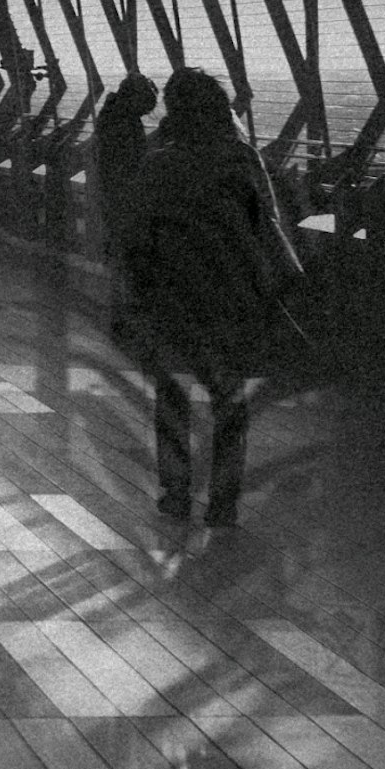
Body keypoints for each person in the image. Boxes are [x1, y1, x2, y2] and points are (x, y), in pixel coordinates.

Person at [116, 66, 287, 530]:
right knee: (229, 400)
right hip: (231, 299)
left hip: (172, 297)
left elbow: (136, 235)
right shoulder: (241, 158)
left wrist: (132, 296)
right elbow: (266, 226)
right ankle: (224, 503)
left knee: (171, 396)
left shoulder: (158, 162)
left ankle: (176, 494)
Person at [90, 73, 159, 271]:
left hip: (113, 190)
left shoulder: (111, 114)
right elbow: (131, 159)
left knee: (117, 239)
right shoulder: (124, 122)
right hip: (124, 193)